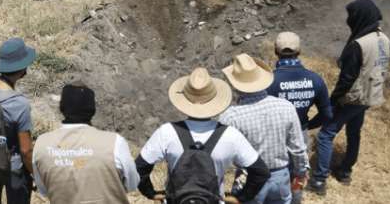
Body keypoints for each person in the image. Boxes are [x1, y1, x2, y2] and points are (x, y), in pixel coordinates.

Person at [136, 67, 270, 203]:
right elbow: (261, 172)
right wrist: (240, 198)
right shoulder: (231, 135)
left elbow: (138, 168)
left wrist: (151, 193)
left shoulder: (166, 132)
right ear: (215, 100)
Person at [308, 0, 390, 195]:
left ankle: (319, 180)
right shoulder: (384, 39)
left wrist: (331, 103)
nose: (349, 20)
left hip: (353, 98)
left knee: (326, 134)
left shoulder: (358, 44)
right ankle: (345, 172)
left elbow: (346, 81)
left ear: (360, 17)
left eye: (351, 16)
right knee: (354, 132)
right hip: (371, 96)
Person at [220, 54, 309, 204]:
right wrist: (300, 173)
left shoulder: (230, 116)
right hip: (281, 177)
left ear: (234, 85)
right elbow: (298, 149)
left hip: (248, 178)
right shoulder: (286, 107)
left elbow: (222, 156)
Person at [33, 81, 139, 203]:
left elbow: (44, 189)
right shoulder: (115, 142)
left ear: (62, 107)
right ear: (92, 109)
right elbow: (132, 184)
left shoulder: (42, 144)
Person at [266, 32, 331, 204]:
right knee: (298, 174)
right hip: (300, 133)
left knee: (273, 174)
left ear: (275, 51)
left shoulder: (268, 80)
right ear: (300, 51)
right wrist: (307, 125)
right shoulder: (315, 79)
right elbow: (327, 114)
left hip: (273, 136)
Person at [0, 38, 36, 204]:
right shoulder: (19, 104)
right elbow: (26, 151)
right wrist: (35, 173)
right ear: (22, 69)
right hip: (13, 165)